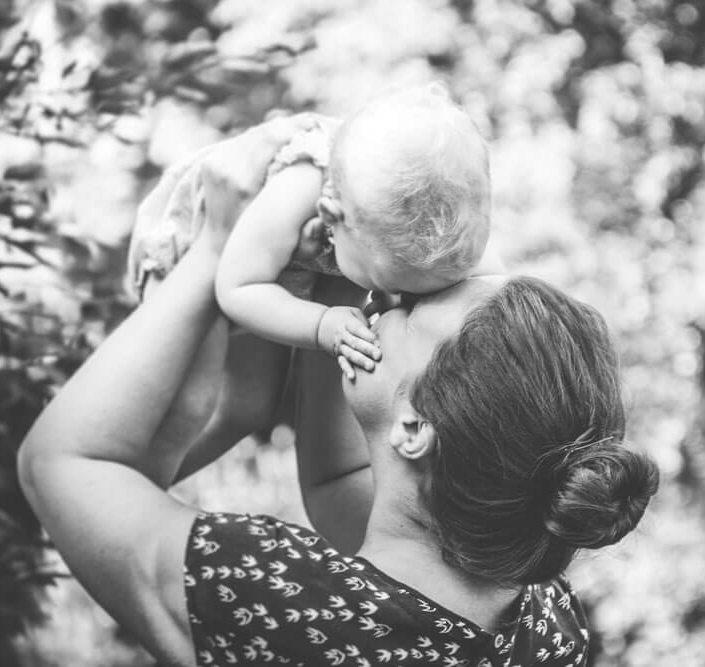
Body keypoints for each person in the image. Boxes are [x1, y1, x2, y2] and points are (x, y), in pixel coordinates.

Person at [17, 116, 660, 667]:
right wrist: (346, 266)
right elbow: (341, 483)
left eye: (410, 308)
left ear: (415, 427)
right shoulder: (542, 621)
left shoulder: (284, 601)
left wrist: (217, 245)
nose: (388, 304)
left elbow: (61, 464)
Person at [127, 83, 492, 481]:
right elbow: (239, 289)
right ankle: (119, 499)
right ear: (331, 218)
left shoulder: (423, 208)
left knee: (248, 408)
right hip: (196, 254)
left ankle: (148, 484)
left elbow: (489, 280)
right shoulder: (300, 188)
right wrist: (321, 325)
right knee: (189, 409)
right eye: (384, 283)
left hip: (273, 275)